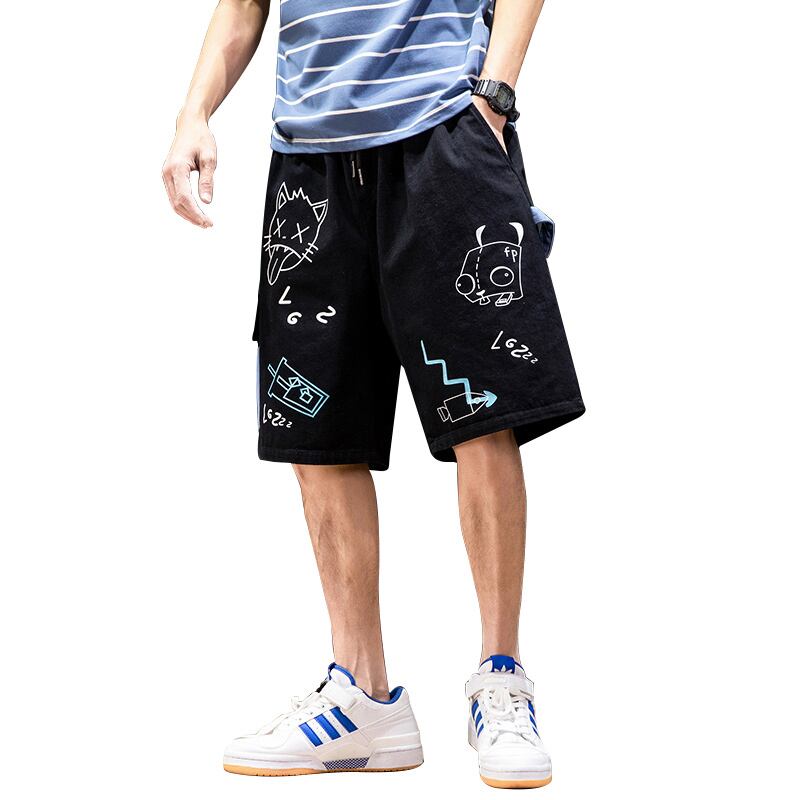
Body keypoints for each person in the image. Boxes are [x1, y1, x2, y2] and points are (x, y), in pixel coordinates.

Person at [162, 0, 583, 789]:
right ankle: (363, 697)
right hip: (310, 158)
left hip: (441, 134)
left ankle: (501, 681)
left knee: (483, 415)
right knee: (315, 426)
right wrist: (194, 112)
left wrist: (494, 96)